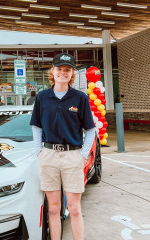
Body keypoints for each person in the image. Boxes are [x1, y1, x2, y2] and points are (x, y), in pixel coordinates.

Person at [30, 53, 95, 240]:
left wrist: (82, 155)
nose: (63, 73)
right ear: (53, 71)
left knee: (74, 209)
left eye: (67, 69)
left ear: (72, 73)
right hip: (48, 156)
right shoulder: (42, 97)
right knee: (53, 209)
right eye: (59, 69)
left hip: (72, 156)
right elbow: (36, 126)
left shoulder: (80, 98)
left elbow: (90, 130)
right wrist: (39, 152)